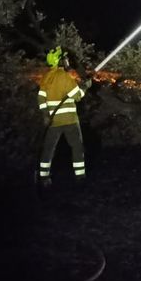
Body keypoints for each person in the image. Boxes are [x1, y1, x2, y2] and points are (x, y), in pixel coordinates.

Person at [37, 47, 91, 188]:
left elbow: (41, 99)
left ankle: (43, 178)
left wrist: (45, 115)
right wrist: (85, 87)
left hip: (53, 121)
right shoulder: (65, 77)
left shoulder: (46, 77)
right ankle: (80, 176)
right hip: (69, 120)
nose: (67, 61)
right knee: (77, 147)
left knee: (48, 149)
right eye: (65, 58)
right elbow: (77, 96)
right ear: (60, 61)